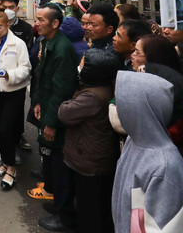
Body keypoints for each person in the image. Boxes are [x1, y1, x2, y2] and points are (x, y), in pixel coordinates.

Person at [112, 70, 183, 233]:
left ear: (137, 108)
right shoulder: (133, 140)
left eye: (122, 102)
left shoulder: (165, 166)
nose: (117, 108)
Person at [58, 48, 124, 233]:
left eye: (82, 64)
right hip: (94, 156)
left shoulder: (91, 96)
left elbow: (64, 113)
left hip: (89, 159)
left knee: (89, 209)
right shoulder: (104, 88)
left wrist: (67, 102)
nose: (79, 66)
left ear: (92, 71)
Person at [30, 4, 79, 230]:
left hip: (57, 116)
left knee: (60, 168)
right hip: (47, 106)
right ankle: (59, 204)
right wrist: (39, 101)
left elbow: (61, 91)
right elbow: (43, 78)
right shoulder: (46, 42)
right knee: (53, 163)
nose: (36, 23)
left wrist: (51, 122)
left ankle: (65, 217)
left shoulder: (62, 49)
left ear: (55, 23)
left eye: (41, 20)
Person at [0, 9, 31, 192]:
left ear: (7, 25)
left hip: (13, 91)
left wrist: (8, 74)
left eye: (0, 27)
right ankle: (5, 162)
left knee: (6, 129)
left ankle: (11, 168)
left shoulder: (18, 44)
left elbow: (26, 69)